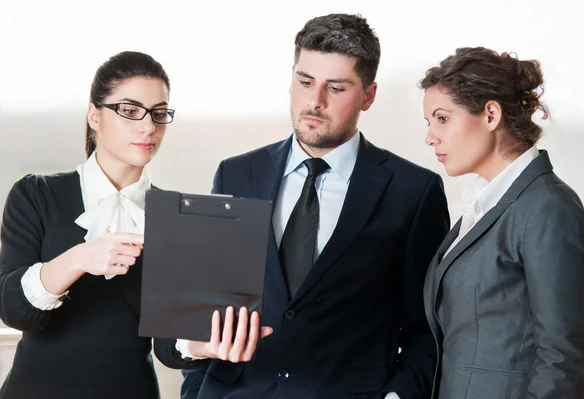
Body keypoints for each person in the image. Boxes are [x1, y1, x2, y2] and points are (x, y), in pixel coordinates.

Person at [155, 13, 450, 399]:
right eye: (305, 81)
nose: (315, 101)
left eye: (337, 88)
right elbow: (189, 320)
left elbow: (428, 332)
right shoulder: (236, 174)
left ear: (369, 95)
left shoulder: (413, 191)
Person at [420, 47, 584, 399]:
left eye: (442, 119)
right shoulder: (483, 204)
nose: (430, 137)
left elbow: (565, 362)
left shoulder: (548, 208)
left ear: (490, 114)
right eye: (429, 123)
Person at [0, 51, 176, 399]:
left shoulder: (174, 215)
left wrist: (208, 343)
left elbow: (170, 349)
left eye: (159, 113)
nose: (148, 126)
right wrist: (80, 257)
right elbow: (12, 309)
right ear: (95, 115)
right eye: (129, 110)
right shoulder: (36, 194)